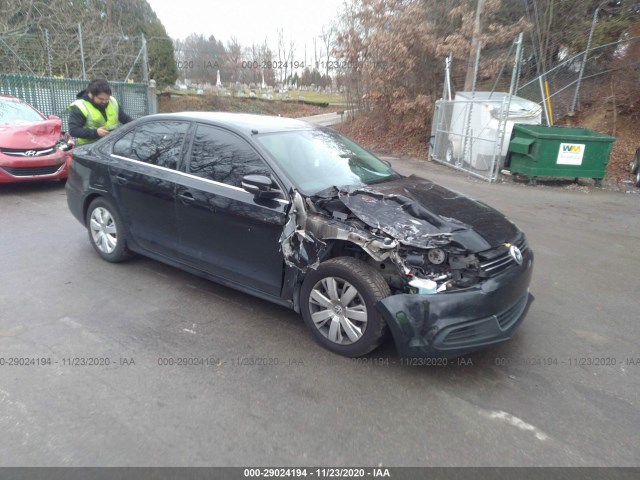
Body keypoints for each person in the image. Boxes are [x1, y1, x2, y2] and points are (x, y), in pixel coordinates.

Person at [68, 79, 132, 145]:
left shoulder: (112, 102)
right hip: (88, 147)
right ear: (91, 94)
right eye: (101, 99)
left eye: (107, 99)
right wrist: (96, 132)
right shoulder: (80, 106)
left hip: (110, 144)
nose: (104, 102)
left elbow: (125, 119)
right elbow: (74, 130)